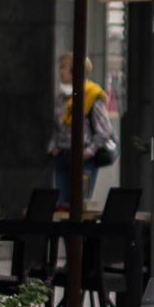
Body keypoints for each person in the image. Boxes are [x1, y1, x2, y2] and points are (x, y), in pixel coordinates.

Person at [49, 52, 116, 208]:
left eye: (63, 67)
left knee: (80, 204)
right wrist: (53, 148)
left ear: (75, 69)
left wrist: (88, 152)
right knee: (62, 204)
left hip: (84, 159)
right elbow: (58, 126)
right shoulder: (63, 97)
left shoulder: (92, 95)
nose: (60, 71)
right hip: (63, 155)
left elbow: (104, 131)